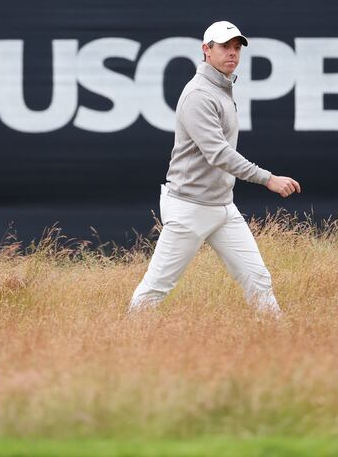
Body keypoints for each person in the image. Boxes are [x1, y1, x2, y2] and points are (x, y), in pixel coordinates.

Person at [128, 21, 300, 315]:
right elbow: (218, 154)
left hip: (222, 206)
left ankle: (281, 343)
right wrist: (268, 179)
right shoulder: (199, 95)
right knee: (156, 288)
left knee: (258, 279)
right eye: (224, 47)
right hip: (188, 208)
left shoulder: (221, 88)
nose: (232, 53)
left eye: (236, 47)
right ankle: (121, 348)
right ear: (206, 50)